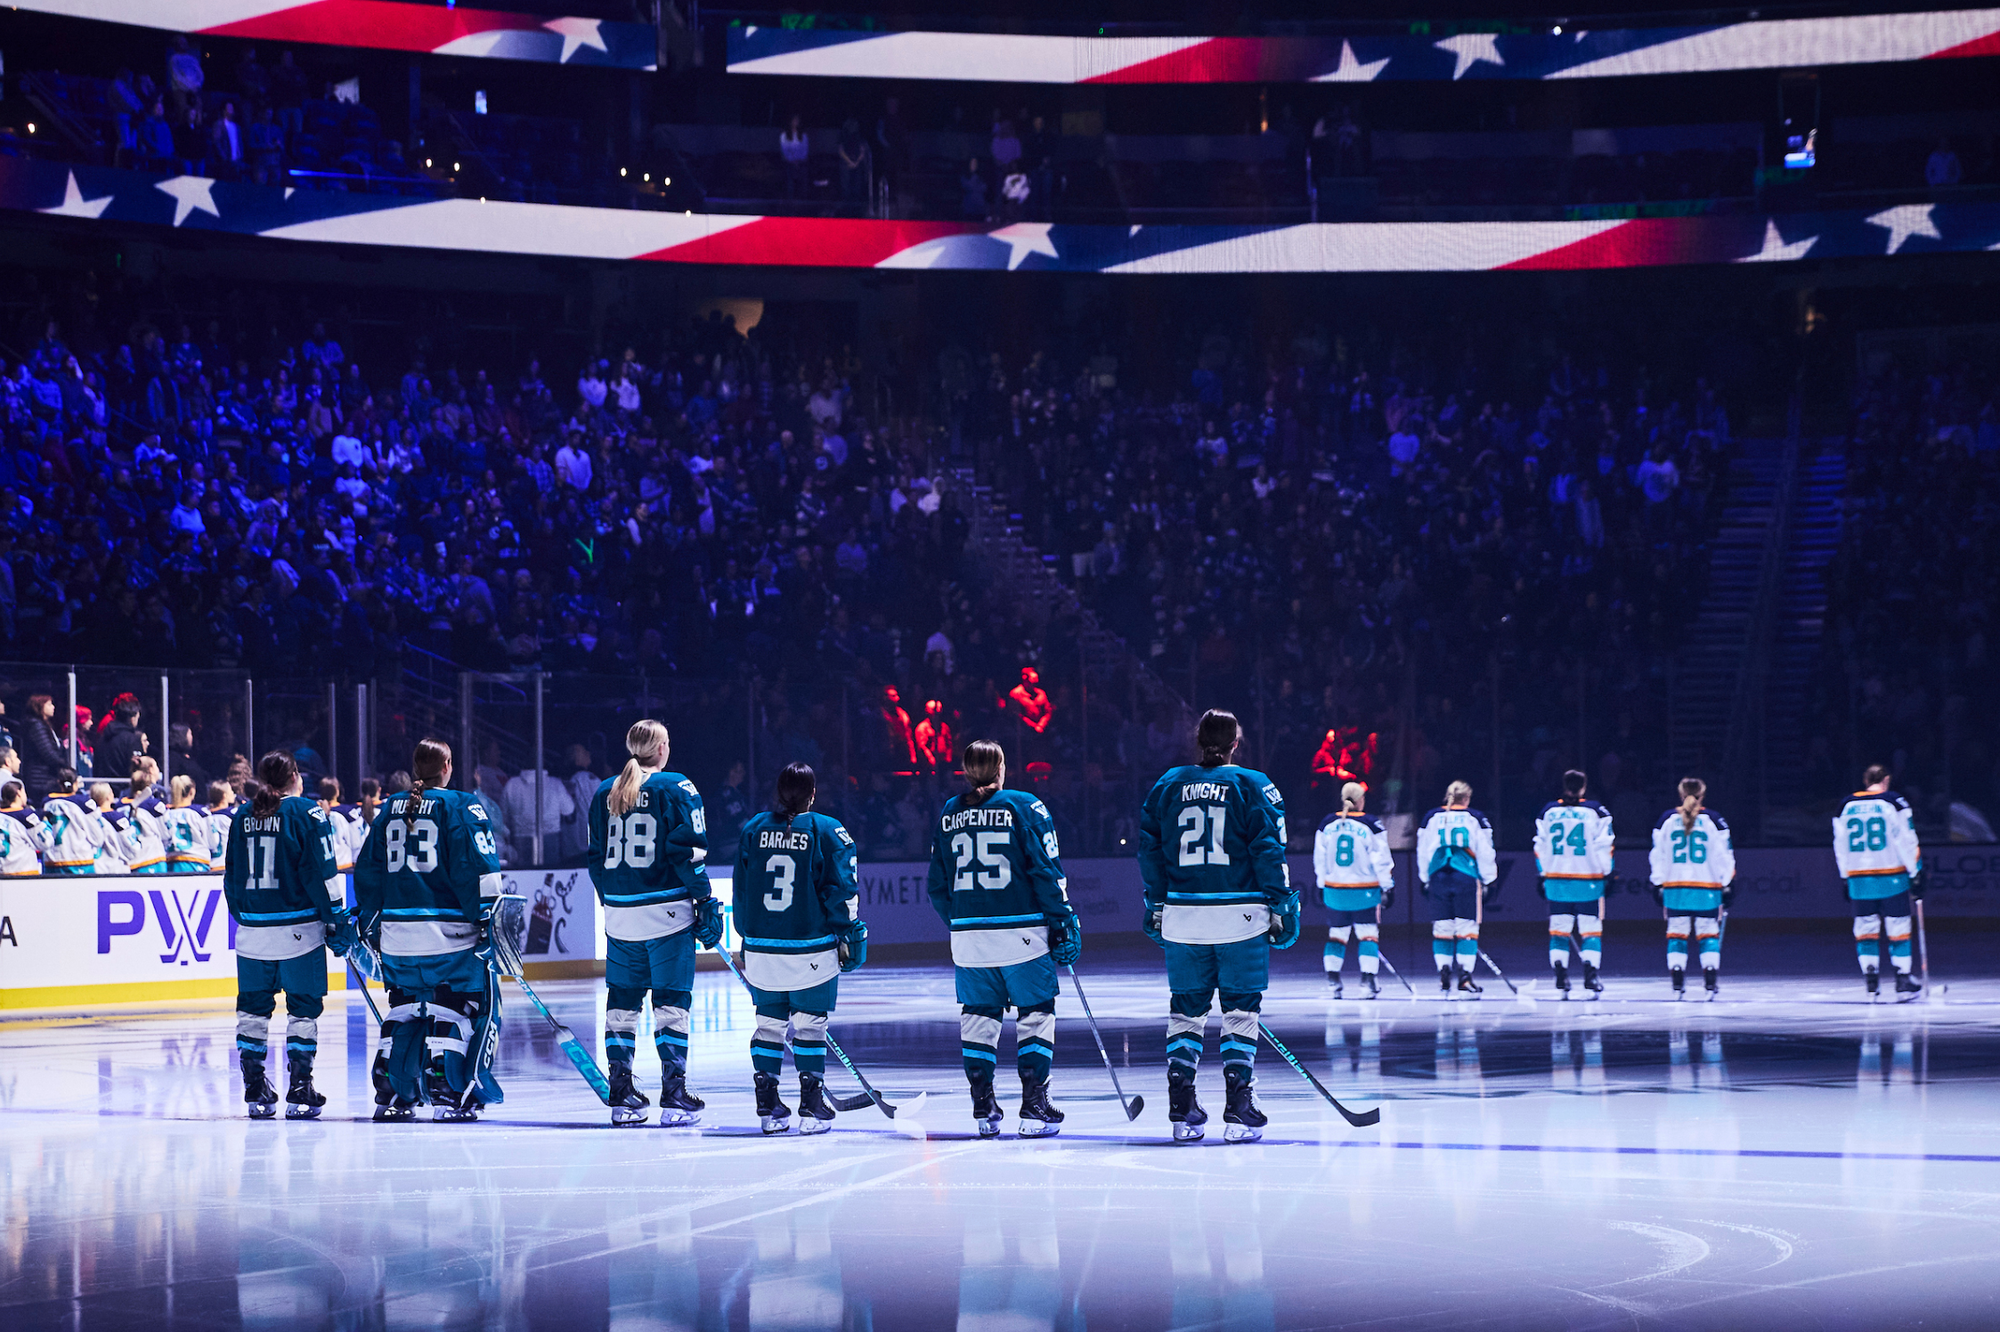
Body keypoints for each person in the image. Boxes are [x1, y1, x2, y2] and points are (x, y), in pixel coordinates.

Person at [1138, 709, 1294, 1143]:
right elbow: (1268, 850)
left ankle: (1181, 1105)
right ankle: (1238, 1107)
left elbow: (1148, 850)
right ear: (1235, 743)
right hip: (1240, 916)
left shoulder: (1168, 784)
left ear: (1198, 741)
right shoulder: (1253, 783)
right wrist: (1283, 904)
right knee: (1241, 1010)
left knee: (1186, 1009)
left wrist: (1156, 903)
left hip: (1183, 914)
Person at [926, 738, 1079, 1138]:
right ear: (1001, 769)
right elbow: (1047, 870)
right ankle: (1033, 1106)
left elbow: (937, 886)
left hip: (969, 938)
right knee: (1036, 1012)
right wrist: (1063, 919)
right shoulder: (1024, 805)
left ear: (965, 771)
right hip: (1022, 934)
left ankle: (983, 1107)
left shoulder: (948, 813)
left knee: (978, 1017)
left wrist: (962, 923)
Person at [354, 738, 506, 1121]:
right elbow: (479, 868)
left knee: (407, 1008)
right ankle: (448, 1086)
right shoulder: (462, 805)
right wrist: (488, 920)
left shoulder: (389, 808)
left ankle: (393, 1088)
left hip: (398, 940)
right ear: (448, 766)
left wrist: (372, 925)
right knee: (464, 1008)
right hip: (449, 941)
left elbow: (368, 873)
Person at [586, 720, 720, 1127]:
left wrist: (613, 903)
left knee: (622, 1004)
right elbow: (689, 853)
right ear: (661, 747)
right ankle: (674, 1092)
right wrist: (704, 900)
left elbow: (595, 858)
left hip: (621, 917)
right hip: (666, 915)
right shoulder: (677, 787)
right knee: (671, 1003)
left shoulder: (603, 791)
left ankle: (621, 1090)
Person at [732, 762, 865, 1135]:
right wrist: (849, 931)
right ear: (813, 793)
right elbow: (842, 891)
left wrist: (747, 935)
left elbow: (740, 891)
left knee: (768, 1025)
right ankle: (810, 1104)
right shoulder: (827, 829)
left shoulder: (753, 829)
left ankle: (769, 1106)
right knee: (809, 1024)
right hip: (810, 950)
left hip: (761, 948)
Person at [220, 750, 353, 1119]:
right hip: (300, 934)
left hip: (252, 933)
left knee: (252, 1010)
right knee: (303, 1010)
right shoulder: (307, 813)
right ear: (295, 775)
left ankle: (254, 1086)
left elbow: (230, 878)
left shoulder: (241, 815)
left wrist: (247, 919)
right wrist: (336, 918)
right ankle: (300, 1084)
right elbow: (323, 874)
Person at [1833, 764, 1923, 1000]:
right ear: (1886, 779)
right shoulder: (1894, 802)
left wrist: (1845, 876)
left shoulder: (1845, 805)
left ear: (1865, 780)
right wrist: (1916, 871)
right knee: (1898, 928)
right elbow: (1906, 838)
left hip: (1858, 878)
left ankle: (1871, 981)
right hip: (1891, 875)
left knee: (1865, 929)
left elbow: (1839, 845)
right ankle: (1902, 979)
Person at [1648, 777, 1736, 1000]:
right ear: (1702, 795)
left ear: (1680, 794)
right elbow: (1725, 856)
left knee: (1677, 937)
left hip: (1675, 887)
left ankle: (1677, 982)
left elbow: (1657, 855)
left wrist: (1657, 882)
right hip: (1706, 887)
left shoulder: (1666, 820)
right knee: (1708, 936)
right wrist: (1727, 883)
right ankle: (1710, 981)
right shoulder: (1715, 820)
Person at [1533, 769, 1615, 998]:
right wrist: (1607, 873)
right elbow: (1605, 845)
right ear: (1584, 786)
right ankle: (1591, 977)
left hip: (1557, 880)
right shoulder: (1596, 811)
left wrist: (1543, 874)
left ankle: (1560, 975)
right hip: (1587, 880)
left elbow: (1539, 846)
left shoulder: (1548, 812)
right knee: (1591, 932)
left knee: (1559, 932)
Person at [1416, 781, 1498, 998]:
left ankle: (1444, 974)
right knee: (1467, 929)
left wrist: (1424, 877)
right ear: (1467, 799)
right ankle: (1465, 977)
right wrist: (1489, 879)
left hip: (1438, 875)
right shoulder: (1476, 818)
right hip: (1465, 876)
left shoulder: (1431, 818)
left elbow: (1423, 850)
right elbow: (1485, 851)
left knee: (1442, 928)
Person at [1314, 781, 1393, 999]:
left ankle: (1333, 981)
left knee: (1336, 935)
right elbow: (1381, 859)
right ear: (1360, 800)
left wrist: (1322, 883)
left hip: (1335, 889)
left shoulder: (1327, 823)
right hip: (1364, 890)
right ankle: (1368, 982)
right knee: (1367, 935)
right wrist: (1387, 886)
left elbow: (1319, 859)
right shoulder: (1371, 824)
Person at [40, 767, 105, 874]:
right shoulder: (84, 803)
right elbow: (97, 838)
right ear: (76, 783)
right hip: (80, 860)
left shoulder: (46, 803)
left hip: (52, 861)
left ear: (59, 783)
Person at [17, 693, 64, 805]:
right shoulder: (36, 726)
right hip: (40, 778)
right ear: (40, 706)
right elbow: (47, 752)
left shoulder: (43, 725)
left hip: (43, 777)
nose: (53, 707)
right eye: (49, 704)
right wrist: (64, 764)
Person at [160, 774, 213, 872]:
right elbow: (213, 842)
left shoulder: (165, 814)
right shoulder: (200, 812)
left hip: (172, 863)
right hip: (198, 862)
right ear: (192, 792)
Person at [0, 781, 48, 874]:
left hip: (3, 872)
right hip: (24, 871)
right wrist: (45, 823)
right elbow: (45, 842)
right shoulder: (26, 816)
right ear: (19, 793)